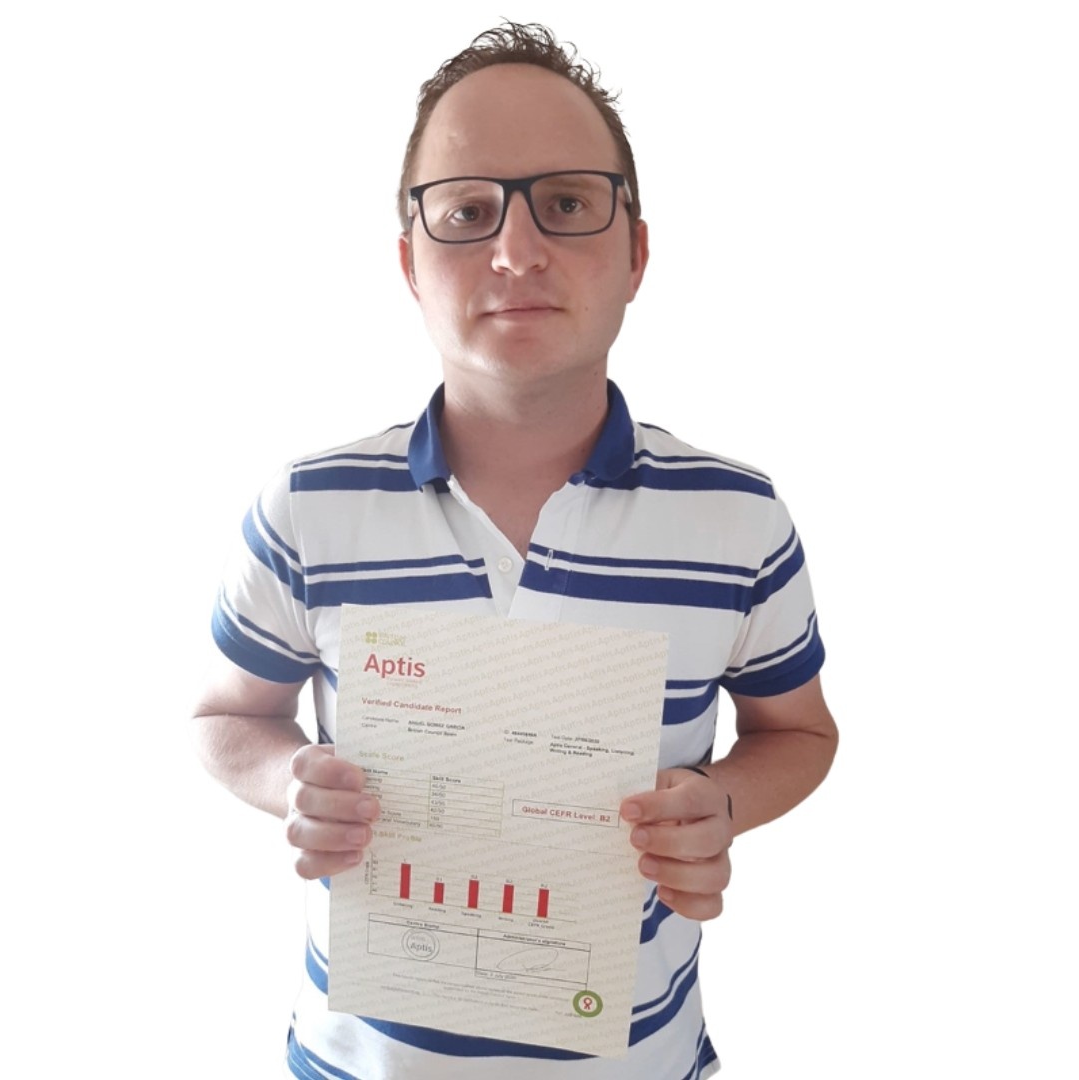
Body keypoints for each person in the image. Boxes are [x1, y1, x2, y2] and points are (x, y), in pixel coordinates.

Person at [193, 21, 838, 1080]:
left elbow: (801, 733)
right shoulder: (307, 507)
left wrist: (721, 804)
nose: (517, 251)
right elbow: (224, 717)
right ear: (410, 261)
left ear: (637, 253)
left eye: (569, 204)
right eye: (467, 212)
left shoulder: (739, 519)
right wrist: (288, 781)